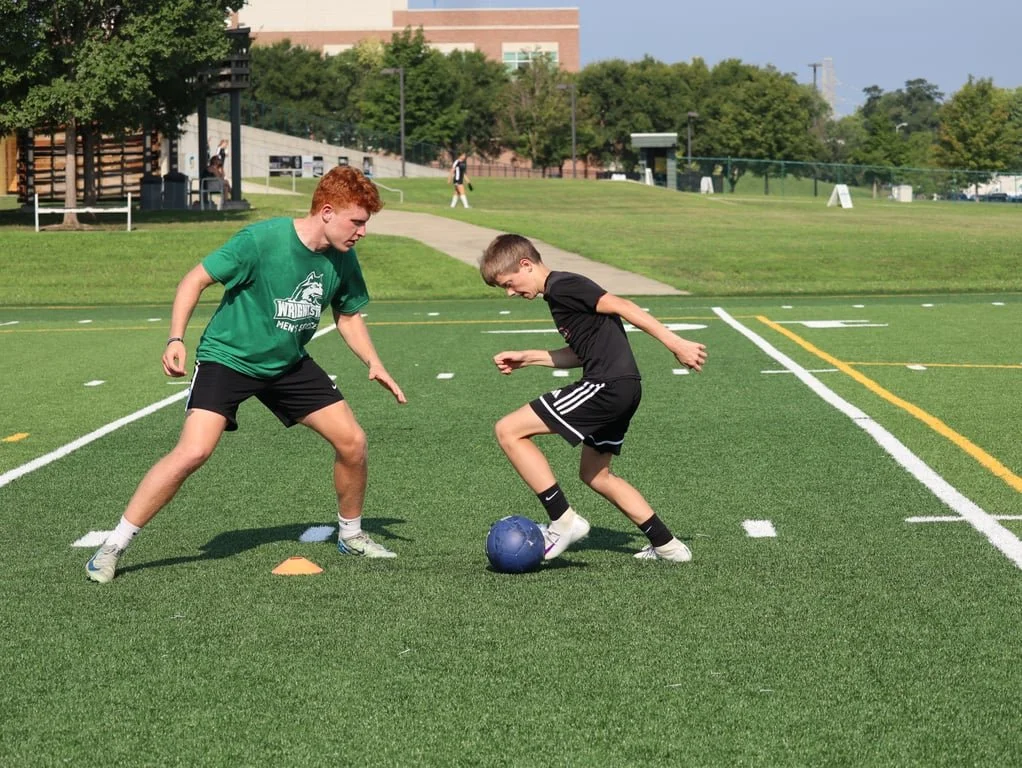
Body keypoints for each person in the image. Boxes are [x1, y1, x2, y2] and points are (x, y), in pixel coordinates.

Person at [86, 166, 407, 584]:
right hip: (229, 358)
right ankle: (112, 547)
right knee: (194, 452)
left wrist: (373, 361)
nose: (362, 232)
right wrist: (175, 338)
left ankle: (351, 534)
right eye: (357, 221)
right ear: (327, 211)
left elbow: (347, 315)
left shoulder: (343, 257)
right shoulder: (260, 240)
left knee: (353, 442)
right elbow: (194, 280)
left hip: (287, 362)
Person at [479, 234, 707, 562]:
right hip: (623, 387)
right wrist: (528, 357)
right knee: (596, 475)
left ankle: (562, 520)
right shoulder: (557, 295)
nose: (511, 293)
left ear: (526, 265)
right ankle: (668, 546)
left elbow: (623, 306)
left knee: (508, 430)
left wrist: (676, 343)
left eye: (509, 284)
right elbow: (581, 353)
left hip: (607, 385)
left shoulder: (562, 286)